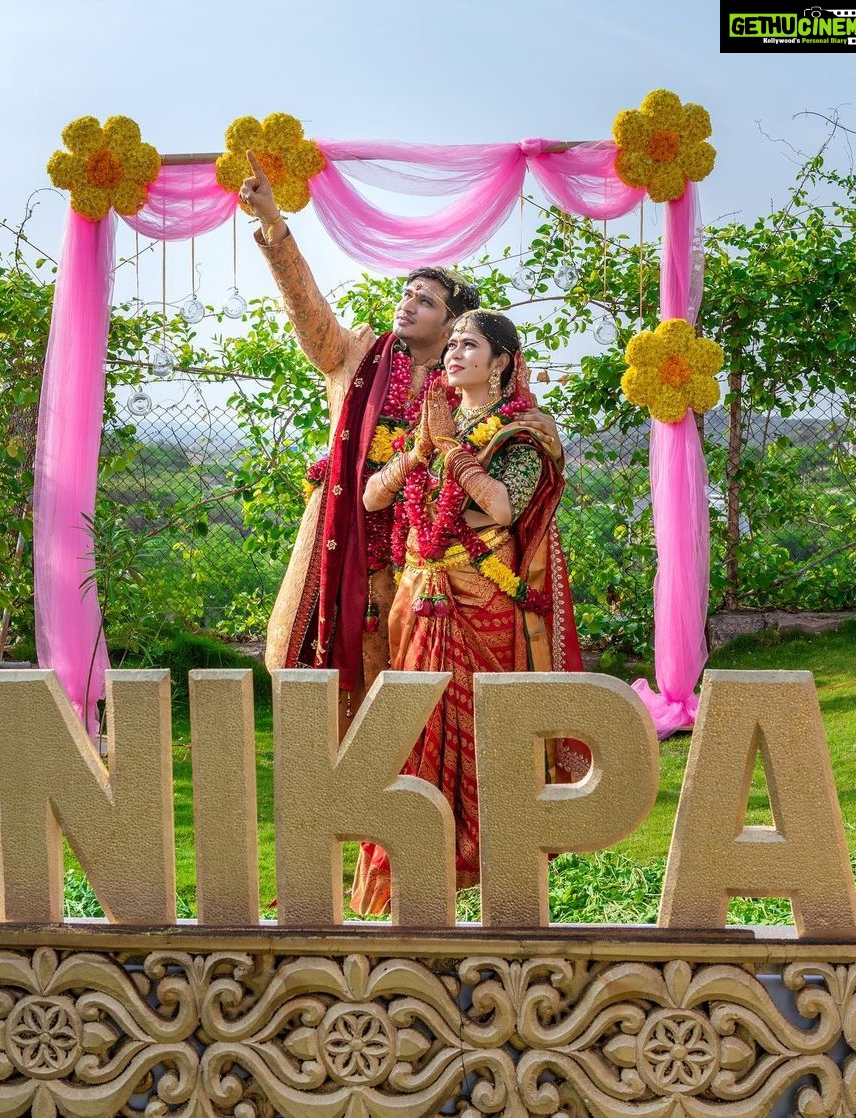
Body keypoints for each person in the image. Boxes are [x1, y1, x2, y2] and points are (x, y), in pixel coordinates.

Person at [239, 154, 563, 731]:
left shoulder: (466, 383)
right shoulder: (355, 355)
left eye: (425, 300)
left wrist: (549, 438)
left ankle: (412, 770)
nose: (406, 304)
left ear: (455, 323)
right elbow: (307, 311)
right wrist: (273, 224)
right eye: (407, 293)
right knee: (325, 661)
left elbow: (516, 433)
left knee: (409, 670)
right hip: (346, 527)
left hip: (429, 545)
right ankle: (339, 773)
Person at [351, 310, 588, 915]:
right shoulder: (434, 421)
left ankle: (498, 878)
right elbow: (372, 496)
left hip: (482, 601)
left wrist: (453, 453)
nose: (453, 352)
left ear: (501, 361)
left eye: (470, 344)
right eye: (452, 342)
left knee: (486, 734)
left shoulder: (522, 433)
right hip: (419, 595)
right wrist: (416, 454)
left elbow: (502, 509)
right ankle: (415, 873)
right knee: (413, 728)